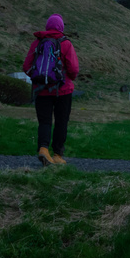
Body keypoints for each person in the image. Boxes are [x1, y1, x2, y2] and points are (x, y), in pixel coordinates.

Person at [22, 14, 79, 166]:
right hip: (63, 91)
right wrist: (67, 78)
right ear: (61, 27)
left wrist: (39, 78)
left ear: (47, 26)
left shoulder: (37, 43)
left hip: (41, 90)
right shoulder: (66, 44)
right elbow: (73, 69)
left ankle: (43, 149)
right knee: (61, 122)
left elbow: (26, 67)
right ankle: (58, 155)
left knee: (45, 122)